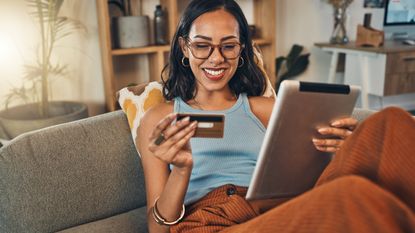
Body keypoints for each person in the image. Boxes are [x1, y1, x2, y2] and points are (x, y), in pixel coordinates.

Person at [138, 1, 415, 233]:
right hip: (212, 222)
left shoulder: (269, 108)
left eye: (228, 45)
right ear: (185, 48)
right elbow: (157, 228)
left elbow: (305, 173)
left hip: (274, 208)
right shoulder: (161, 117)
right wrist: (183, 171)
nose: (216, 58)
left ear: (242, 49)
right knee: (352, 194)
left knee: (393, 122)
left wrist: (344, 149)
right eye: (202, 46)